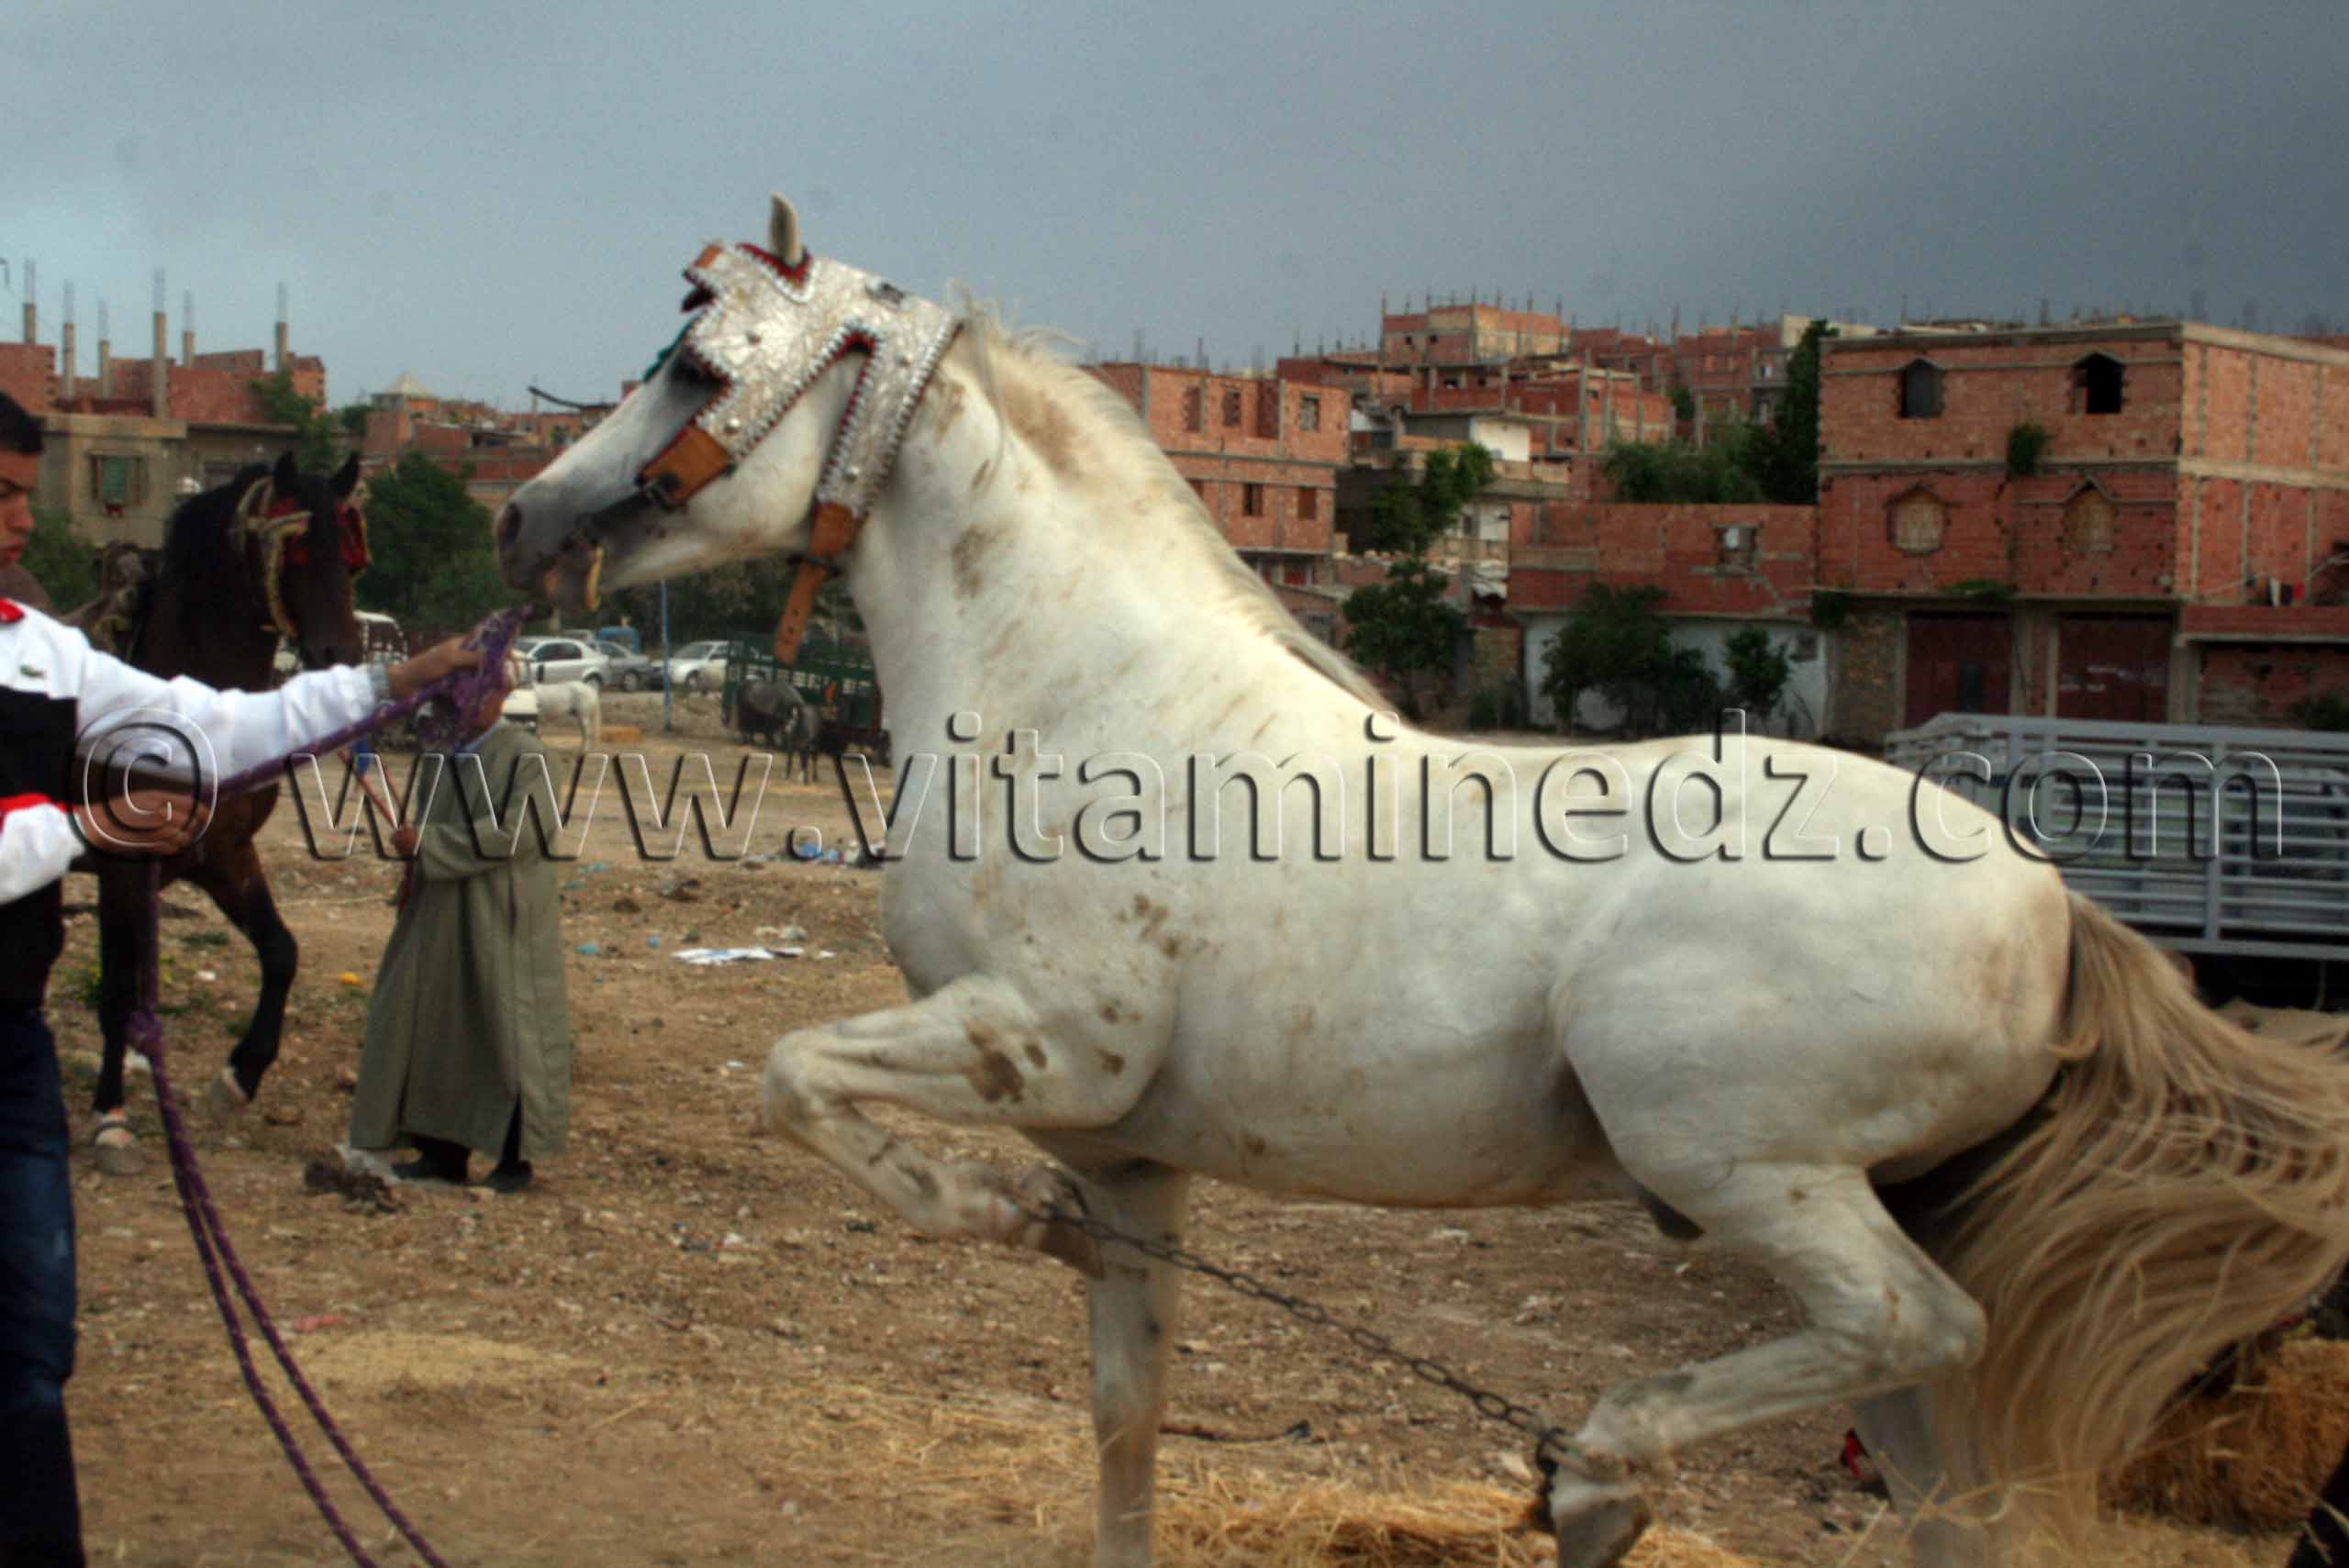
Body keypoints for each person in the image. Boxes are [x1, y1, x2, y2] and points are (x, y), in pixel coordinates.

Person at [0, 389, 480, 1567]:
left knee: (27, 1352)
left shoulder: (40, 646)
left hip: (5, 1043)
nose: (18, 521)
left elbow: (209, 724)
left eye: (24, 495)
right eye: (3, 496)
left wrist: (393, 681)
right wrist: (92, 828)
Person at [348, 654, 573, 1195]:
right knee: (436, 1028)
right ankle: (441, 1153)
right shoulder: (440, 757)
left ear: (500, 698)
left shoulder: (527, 757)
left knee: (506, 1033)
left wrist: (428, 845)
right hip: (441, 912)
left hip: (502, 917)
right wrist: (413, 858)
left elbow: (517, 836)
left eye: (478, 694)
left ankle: (515, 1163)